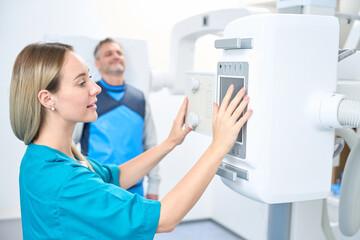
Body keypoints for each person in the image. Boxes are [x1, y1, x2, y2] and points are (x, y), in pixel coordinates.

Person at [9, 42, 252, 239]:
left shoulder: (48, 155)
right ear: (47, 99)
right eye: (82, 82)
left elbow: (118, 176)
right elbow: (166, 218)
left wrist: (170, 142)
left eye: (90, 78)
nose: (95, 88)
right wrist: (219, 146)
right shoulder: (64, 179)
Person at [73, 37, 159, 199]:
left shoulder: (139, 98)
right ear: (97, 63)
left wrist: (154, 185)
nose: (115, 56)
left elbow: (151, 145)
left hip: (135, 192)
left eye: (119, 53)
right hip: (98, 190)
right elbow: (69, 143)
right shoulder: (90, 97)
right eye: (108, 53)